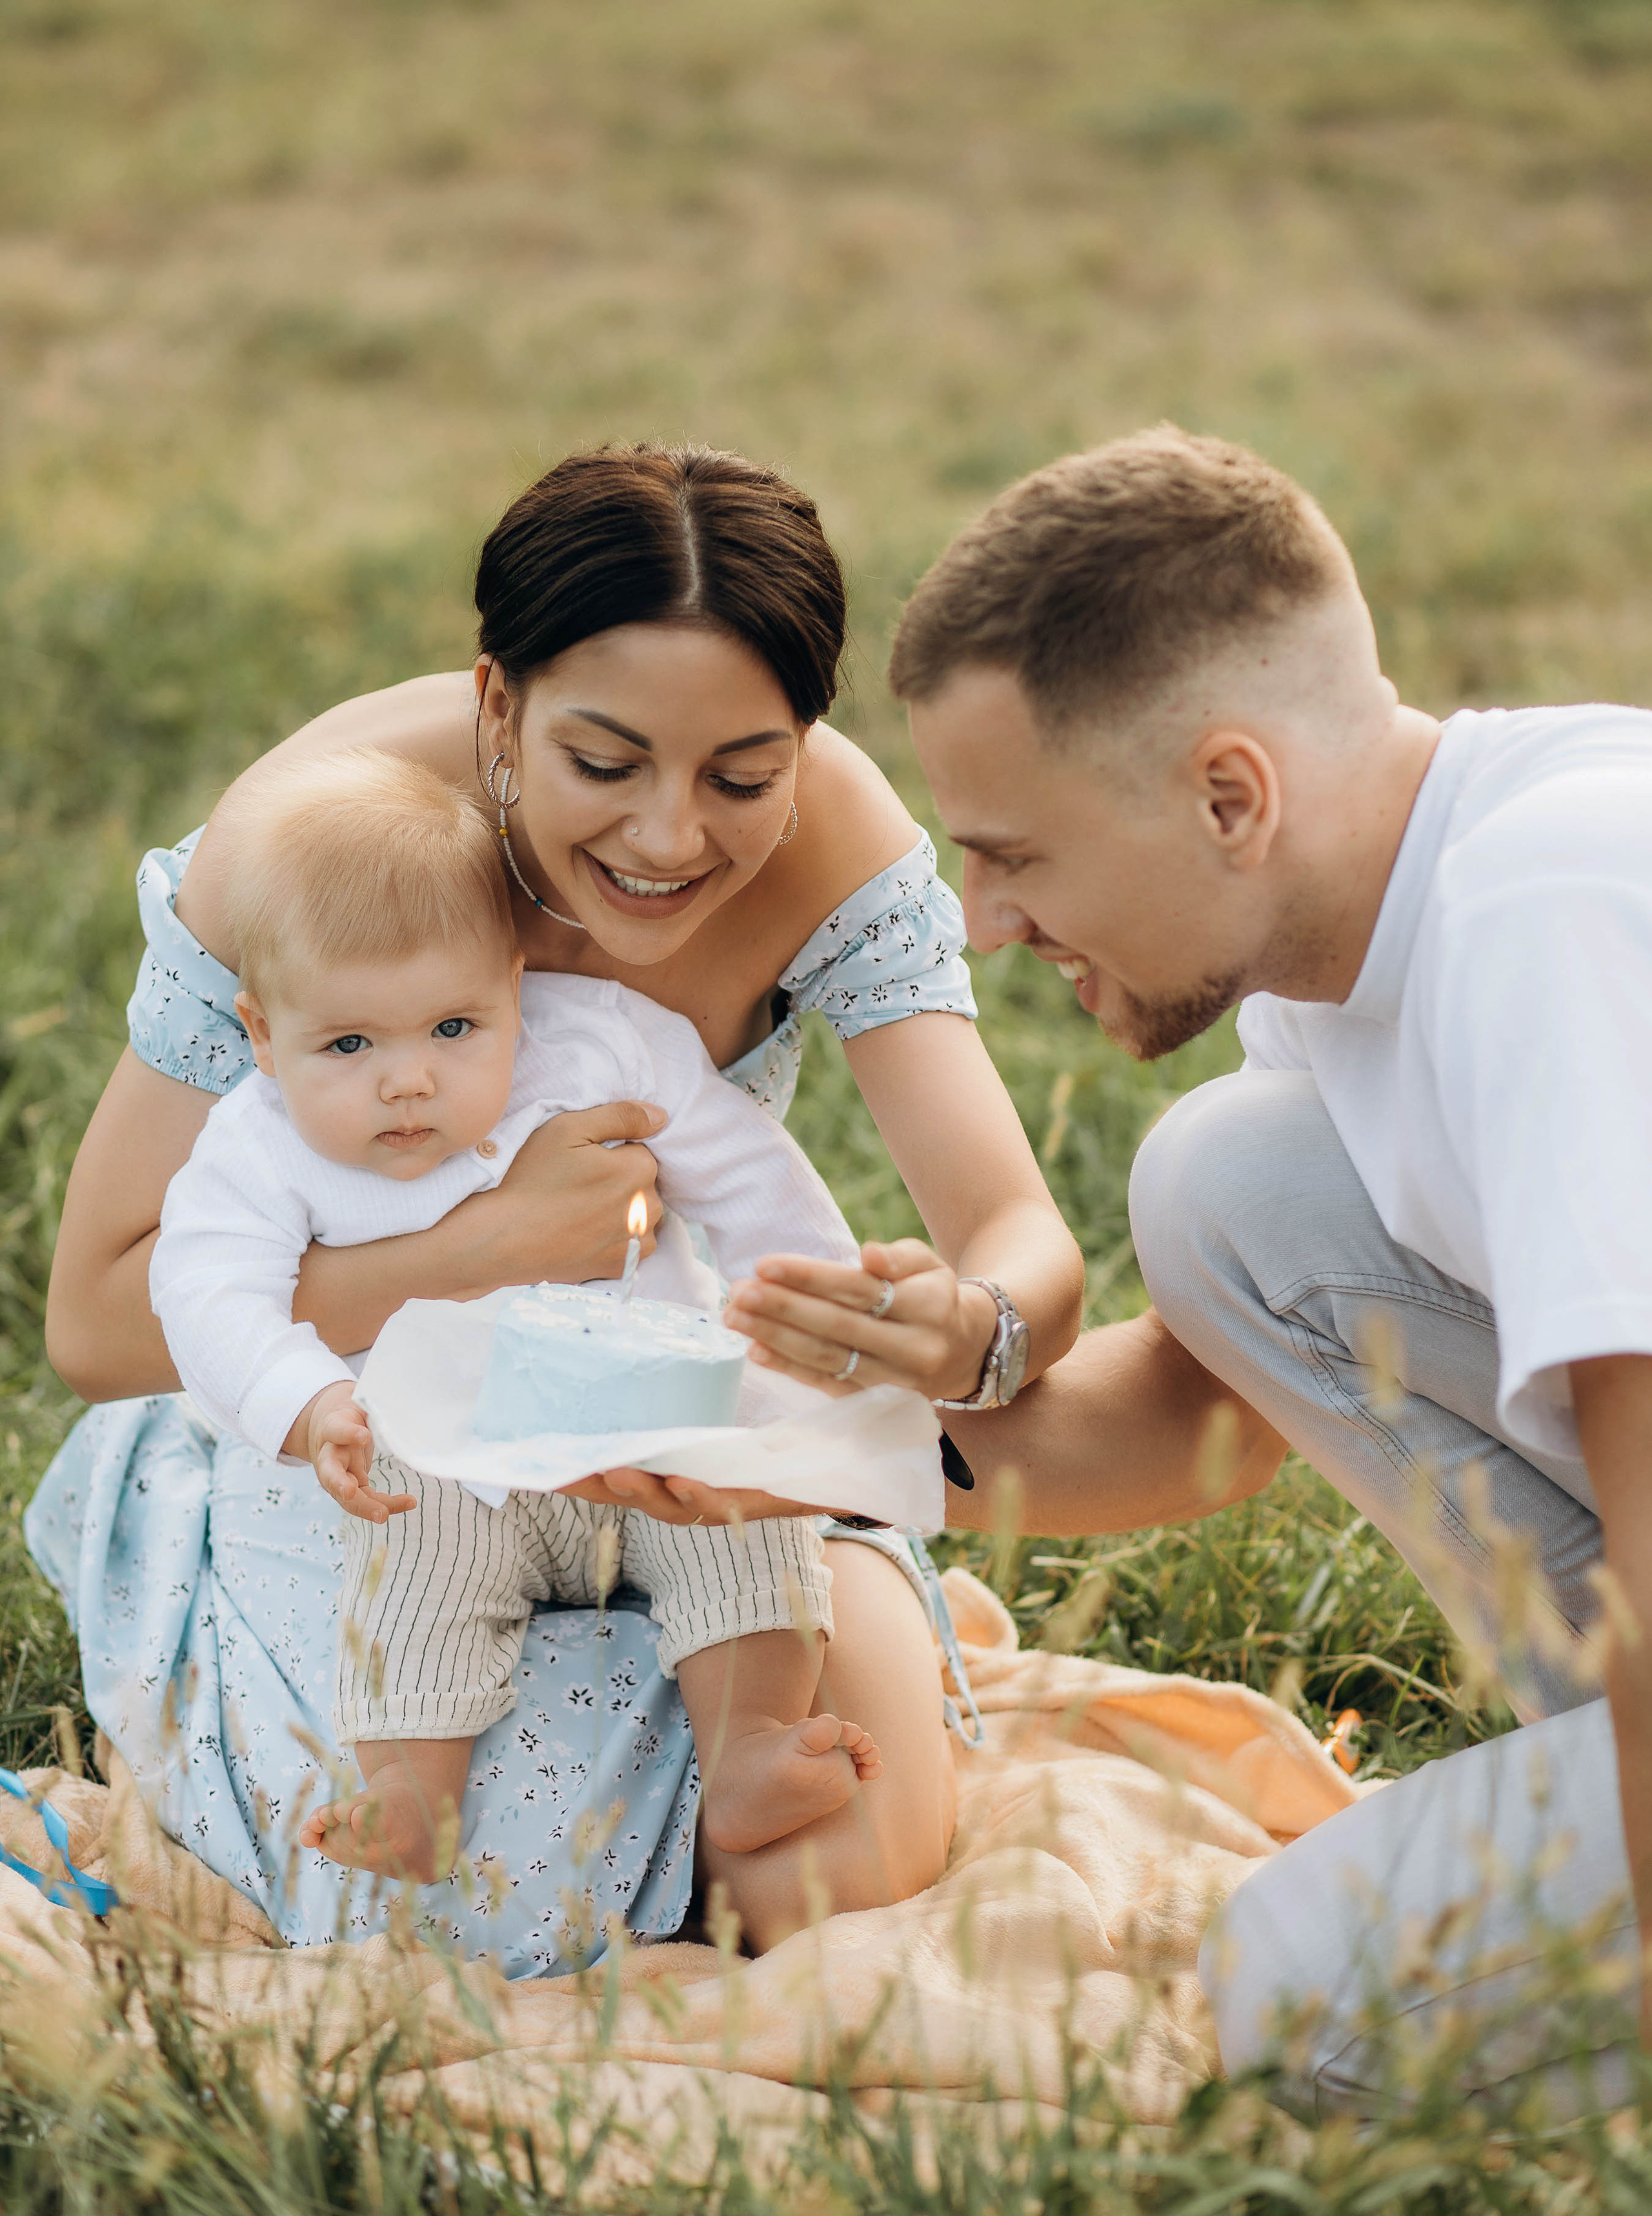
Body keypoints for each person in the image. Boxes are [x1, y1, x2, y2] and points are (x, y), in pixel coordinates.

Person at [33, 442, 1082, 1975]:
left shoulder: (836, 844)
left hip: (673, 1430)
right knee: (478, 1896)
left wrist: (963, 1327)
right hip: (369, 1440)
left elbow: (1024, 1245)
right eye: (605, 766)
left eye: (743, 774)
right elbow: (96, 1320)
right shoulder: (321, 845)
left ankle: (734, 1736)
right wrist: (477, 1250)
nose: (672, 839)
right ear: (497, 708)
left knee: (832, 1872)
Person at [885, 423, 1651, 2120]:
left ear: (1231, 794)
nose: (983, 917)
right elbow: (1201, 1418)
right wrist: (789, 1438)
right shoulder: (1356, 943)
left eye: (1012, 852)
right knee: (1223, 1187)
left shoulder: (1550, 914)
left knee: (1292, 2022)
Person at [150, 749, 931, 1943]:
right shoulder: (259, 1146)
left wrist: (812, 1328)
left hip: (649, 1420)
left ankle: (753, 1746)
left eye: (456, 1026)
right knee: (410, 1577)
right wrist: (309, 1403)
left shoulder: (603, 1044)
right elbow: (204, 1290)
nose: (407, 1080)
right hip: (448, 1458)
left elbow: (749, 1175)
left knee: (751, 1530)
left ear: (518, 986)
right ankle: (417, 1788)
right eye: (348, 1046)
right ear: (262, 1032)